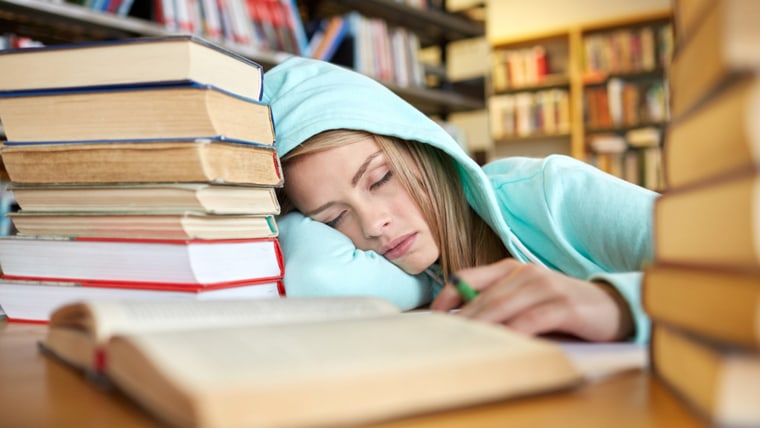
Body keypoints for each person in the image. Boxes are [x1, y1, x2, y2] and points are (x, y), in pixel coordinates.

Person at [262, 57, 658, 343]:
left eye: (380, 179)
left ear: (422, 148)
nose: (371, 225)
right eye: (334, 219)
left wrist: (617, 303)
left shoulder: (550, 191)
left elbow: (720, 266)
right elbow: (315, 275)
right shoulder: (418, 267)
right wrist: (428, 283)